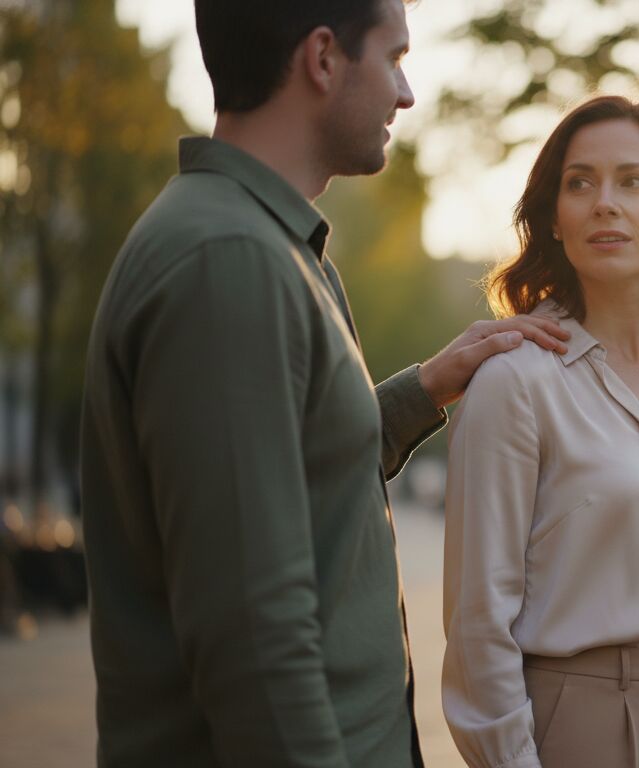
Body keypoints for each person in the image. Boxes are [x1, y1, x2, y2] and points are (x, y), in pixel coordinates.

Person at [79, 1, 569, 765]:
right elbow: (253, 641)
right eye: (394, 58)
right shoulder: (228, 261)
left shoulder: (267, 243)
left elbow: (290, 478)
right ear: (322, 58)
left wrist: (422, 390)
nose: (406, 93)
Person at [441, 95, 639, 768]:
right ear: (554, 220)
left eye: (634, 181)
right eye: (580, 183)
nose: (605, 203)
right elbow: (478, 623)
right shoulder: (515, 381)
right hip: (583, 722)